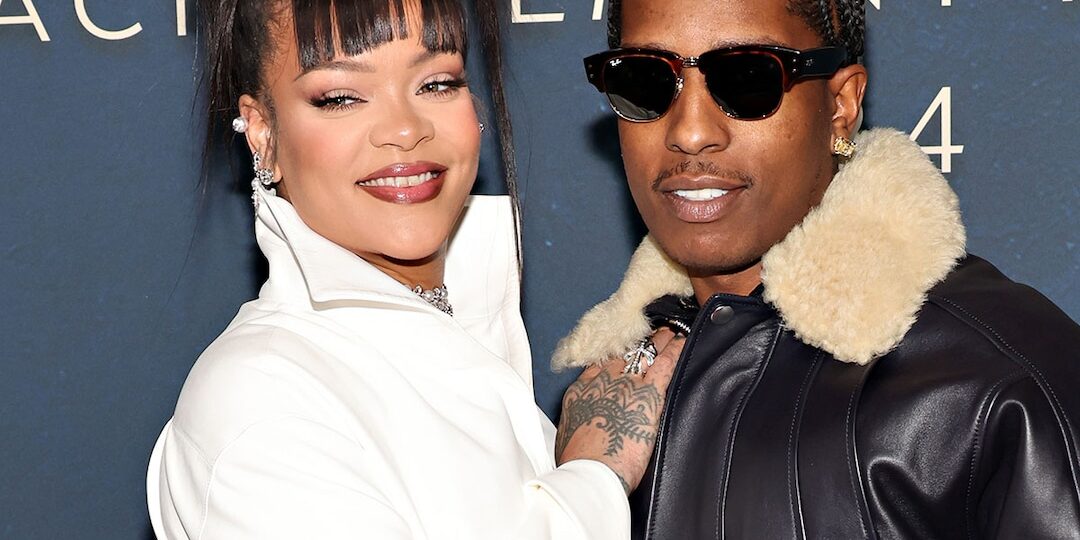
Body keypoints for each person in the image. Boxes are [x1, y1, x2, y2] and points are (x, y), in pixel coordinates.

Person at [146, 0, 681, 537]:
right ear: (263, 132)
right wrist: (594, 476)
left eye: (436, 84)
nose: (404, 129)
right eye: (341, 97)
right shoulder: (259, 401)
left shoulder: (468, 333)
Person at [553, 0, 1080, 538]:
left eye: (748, 78)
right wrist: (586, 487)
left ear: (840, 106)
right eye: (645, 80)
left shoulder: (1000, 381)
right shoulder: (604, 397)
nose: (689, 133)